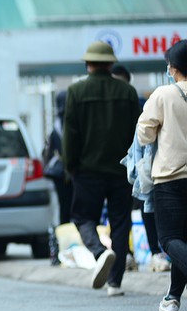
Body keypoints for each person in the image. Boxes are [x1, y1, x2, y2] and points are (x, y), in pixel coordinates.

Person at [62, 41, 141, 296]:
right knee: (120, 223)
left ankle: (99, 252)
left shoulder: (76, 92)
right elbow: (136, 133)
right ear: (110, 64)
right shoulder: (127, 92)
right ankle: (115, 283)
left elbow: (70, 135)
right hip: (121, 171)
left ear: (88, 64)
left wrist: (70, 166)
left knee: (83, 218)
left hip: (87, 171)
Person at [136, 39, 187, 311]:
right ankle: (172, 298)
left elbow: (144, 133)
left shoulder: (164, 95)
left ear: (174, 68)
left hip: (170, 177)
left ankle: (173, 297)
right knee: (184, 240)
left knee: (168, 239)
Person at [111, 64, 171, 272]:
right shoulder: (108, 105)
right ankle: (125, 255)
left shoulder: (137, 102)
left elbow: (145, 135)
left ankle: (155, 252)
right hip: (116, 168)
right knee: (121, 214)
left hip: (139, 166)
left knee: (147, 207)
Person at [42, 90, 72, 227]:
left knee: (63, 206)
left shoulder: (56, 125)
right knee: (74, 207)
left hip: (59, 174)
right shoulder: (73, 121)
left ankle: (65, 237)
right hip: (74, 171)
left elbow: (48, 151)